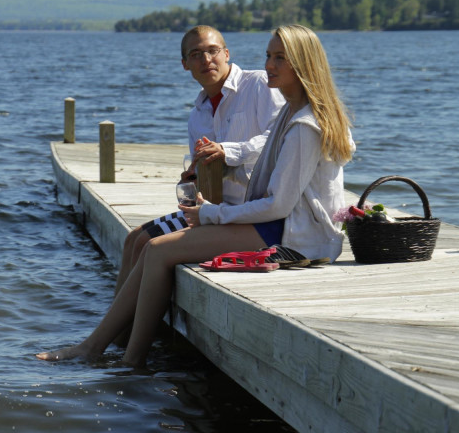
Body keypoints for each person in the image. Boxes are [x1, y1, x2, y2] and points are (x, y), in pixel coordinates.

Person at [37, 24, 354, 367]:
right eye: (268, 56)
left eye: (280, 58)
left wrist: (211, 214)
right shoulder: (290, 114)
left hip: (293, 234)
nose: (269, 65)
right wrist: (202, 181)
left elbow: (279, 203)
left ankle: (126, 361)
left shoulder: (302, 124)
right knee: (143, 243)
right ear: (184, 63)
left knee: (157, 250)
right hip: (272, 219)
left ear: (304, 65)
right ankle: (111, 345)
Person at [114, 25, 285, 297]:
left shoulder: (258, 84)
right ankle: (119, 324)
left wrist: (228, 151)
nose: (206, 60)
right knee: (133, 239)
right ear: (185, 64)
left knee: (148, 242)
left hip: (249, 210)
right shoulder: (198, 114)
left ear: (227, 53)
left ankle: (122, 330)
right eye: (196, 54)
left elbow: (277, 137)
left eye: (212, 51)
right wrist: (193, 179)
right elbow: (205, 171)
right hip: (215, 206)